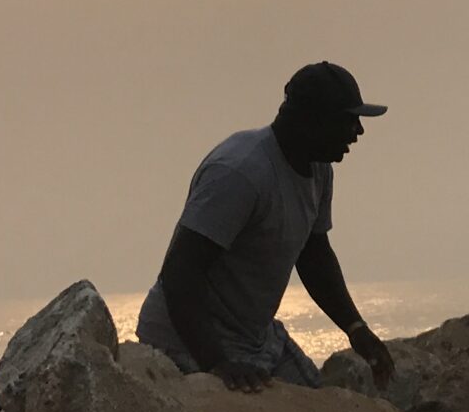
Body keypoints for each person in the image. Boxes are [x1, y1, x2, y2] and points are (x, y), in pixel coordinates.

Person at [134, 62, 398, 393]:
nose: (358, 131)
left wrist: (356, 328)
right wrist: (217, 364)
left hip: (255, 339)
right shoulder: (241, 173)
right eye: (348, 120)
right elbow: (180, 272)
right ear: (312, 121)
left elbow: (314, 254)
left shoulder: (319, 169)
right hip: (187, 341)